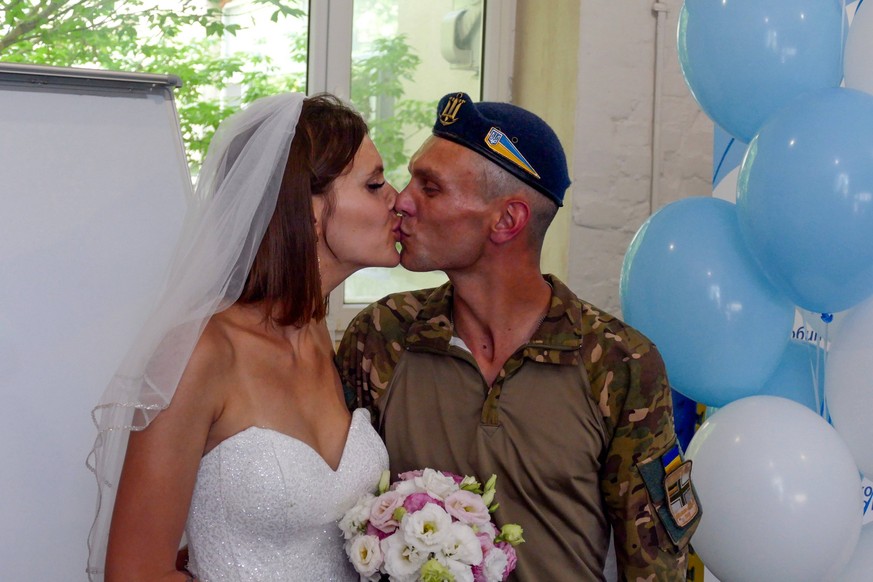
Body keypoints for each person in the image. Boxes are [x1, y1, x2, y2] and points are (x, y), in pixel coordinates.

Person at [337, 91, 702, 581]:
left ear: (507, 221)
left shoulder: (618, 364)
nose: (401, 200)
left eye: (431, 187)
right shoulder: (384, 335)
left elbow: (654, 566)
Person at [87, 92, 401, 581]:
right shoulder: (201, 353)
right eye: (375, 184)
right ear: (309, 210)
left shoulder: (322, 336)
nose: (397, 199)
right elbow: (135, 574)